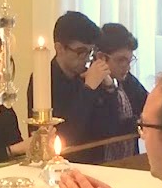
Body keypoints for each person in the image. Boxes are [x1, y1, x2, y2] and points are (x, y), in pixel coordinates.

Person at [26, 10, 116, 164]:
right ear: (59, 48)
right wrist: (88, 89)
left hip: (97, 161)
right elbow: (66, 135)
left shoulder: (87, 75)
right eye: (80, 51)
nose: (86, 58)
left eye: (90, 51)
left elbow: (111, 126)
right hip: (62, 163)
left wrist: (109, 88)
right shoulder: (44, 79)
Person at [93, 22, 149, 162]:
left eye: (130, 61)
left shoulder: (127, 79)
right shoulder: (89, 86)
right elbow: (110, 128)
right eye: (121, 60)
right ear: (101, 57)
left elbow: (148, 104)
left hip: (130, 160)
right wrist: (111, 90)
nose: (127, 67)